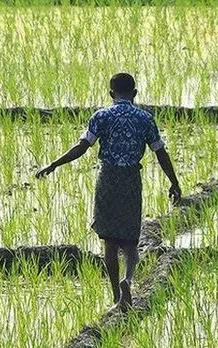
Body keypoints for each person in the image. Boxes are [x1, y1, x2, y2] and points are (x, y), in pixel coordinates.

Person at [36, 73, 182, 312]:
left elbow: (82, 147)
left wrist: (54, 164)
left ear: (111, 94)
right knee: (131, 240)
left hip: (108, 179)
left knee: (110, 242)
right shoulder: (145, 118)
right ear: (134, 93)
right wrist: (174, 182)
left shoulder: (101, 116)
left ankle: (116, 296)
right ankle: (129, 280)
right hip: (131, 179)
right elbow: (160, 153)